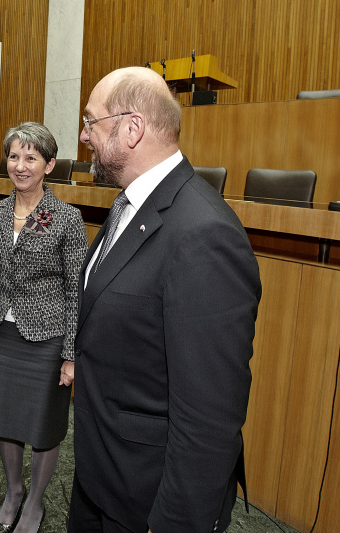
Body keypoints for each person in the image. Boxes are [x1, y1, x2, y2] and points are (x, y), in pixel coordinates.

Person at [67, 66, 261, 533]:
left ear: (131, 128)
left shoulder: (204, 234)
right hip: (102, 475)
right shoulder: (127, 204)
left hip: (149, 502)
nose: (83, 134)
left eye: (92, 121)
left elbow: (210, 418)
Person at [0, 122, 87, 533]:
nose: (20, 165)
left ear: (49, 164)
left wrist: (70, 353)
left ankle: (35, 502)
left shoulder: (65, 218)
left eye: (31, 157)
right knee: (6, 418)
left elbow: (76, 291)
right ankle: (13, 490)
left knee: (44, 424)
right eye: (14, 156)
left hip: (47, 341)